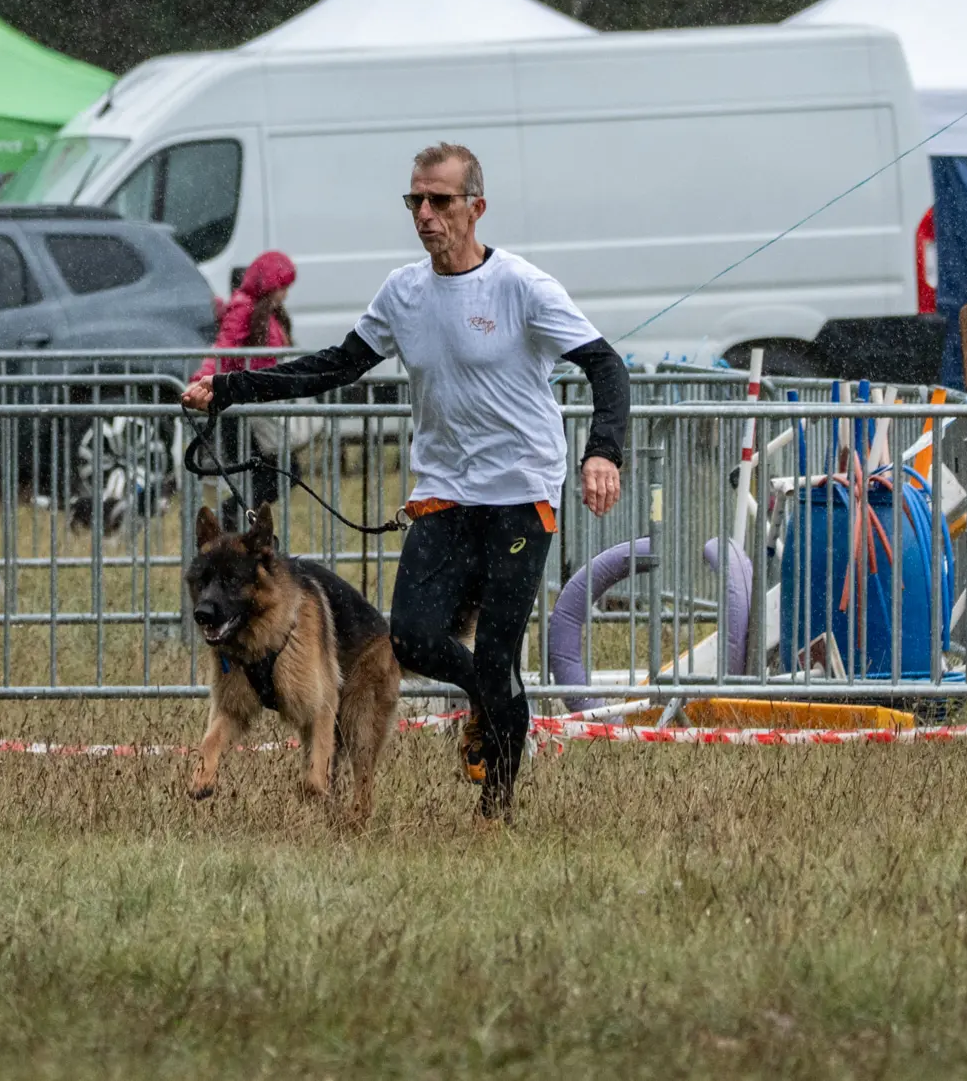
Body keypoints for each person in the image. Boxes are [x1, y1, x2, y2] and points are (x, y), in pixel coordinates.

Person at [181, 142, 630, 819]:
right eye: (415, 200)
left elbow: (606, 365)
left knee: (499, 652)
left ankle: (495, 806)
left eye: (440, 201)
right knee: (415, 638)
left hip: (519, 495)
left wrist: (603, 451)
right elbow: (335, 365)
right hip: (443, 492)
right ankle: (490, 698)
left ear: (476, 207)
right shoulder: (404, 291)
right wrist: (232, 388)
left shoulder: (521, 286)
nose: (425, 213)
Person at [193, 250, 300, 508]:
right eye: (282, 286)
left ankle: (235, 522)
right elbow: (223, 349)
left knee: (272, 474)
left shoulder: (267, 313)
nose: (285, 293)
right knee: (284, 473)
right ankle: (231, 520)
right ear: (269, 284)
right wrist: (200, 380)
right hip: (240, 408)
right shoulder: (245, 308)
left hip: (251, 405)